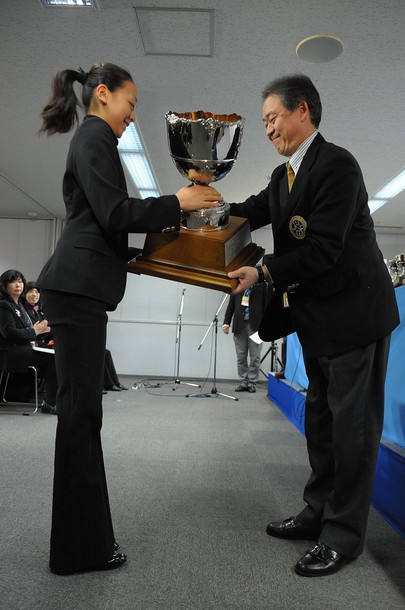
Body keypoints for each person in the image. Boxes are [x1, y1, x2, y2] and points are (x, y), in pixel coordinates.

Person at [36, 62, 221, 575]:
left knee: (82, 416)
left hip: (79, 289)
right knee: (79, 418)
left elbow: (106, 224)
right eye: (130, 103)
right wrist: (178, 202)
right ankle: (77, 551)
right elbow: (116, 214)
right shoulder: (94, 136)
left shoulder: (95, 139)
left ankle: (83, 545)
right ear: (102, 95)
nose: (132, 115)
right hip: (74, 289)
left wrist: (148, 253)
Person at [227, 74, 399, 577]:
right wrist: (205, 207)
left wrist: (262, 271)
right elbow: (251, 211)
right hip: (319, 320)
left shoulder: (338, 165)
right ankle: (318, 511)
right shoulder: (284, 178)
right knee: (320, 422)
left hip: (356, 317)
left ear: (302, 111)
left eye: (272, 118)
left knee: (352, 431)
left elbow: (323, 250)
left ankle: (344, 535)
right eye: (264, 123)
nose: (268, 130)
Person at [0, 270, 57, 413]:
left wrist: (40, 331)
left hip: (22, 348)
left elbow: (27, 330)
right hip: (10, 351)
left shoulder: (18, 305)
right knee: (54, 359)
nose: (18, 285)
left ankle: (55, 399)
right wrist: (34, 331)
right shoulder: (4, 305)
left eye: (20, 281)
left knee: (56, 354)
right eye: (13, 282)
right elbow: (10, 333)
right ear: (4, 286)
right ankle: (50, 402)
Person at [222, 282, 267, 392]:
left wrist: (267, 325)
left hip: (256, 326)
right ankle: (243, 381)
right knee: (241, 356)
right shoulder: (237, 285)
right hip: (239, 325)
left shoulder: (262, 286)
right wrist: (226, 323)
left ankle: (252, 382)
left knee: (255, 357)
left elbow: (266, 305)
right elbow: (231, 305)